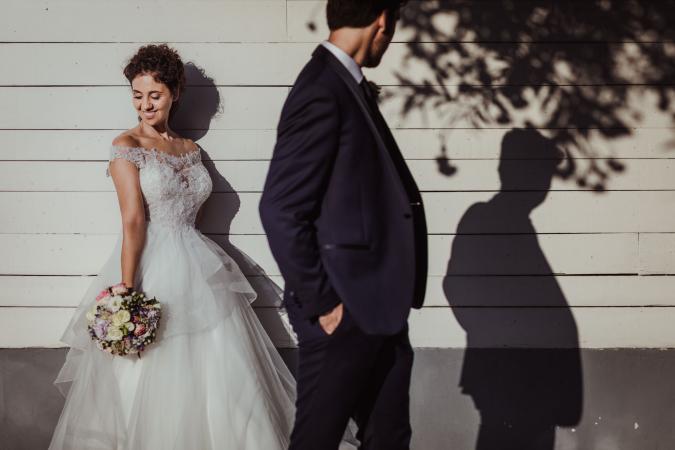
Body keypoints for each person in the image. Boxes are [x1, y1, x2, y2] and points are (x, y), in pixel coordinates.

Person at [48, 44, 299, 450]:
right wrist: (126, 290)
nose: (144, 104)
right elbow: (132, 220)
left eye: (155, 94)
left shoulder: (191, 149)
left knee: (215, 366)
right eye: (137, 94)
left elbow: (192, 213)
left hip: (198, 264)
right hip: (151, 266)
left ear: (175, 93)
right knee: (152, 366)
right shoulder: (126, 145)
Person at [259, 1, 428, 449]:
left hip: (382, 308)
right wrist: (324, 304)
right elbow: (279, 208)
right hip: (343, 310)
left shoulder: (345, 85)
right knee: (318, 439)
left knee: (389, 436)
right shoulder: (321, 89)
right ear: (383, 21)